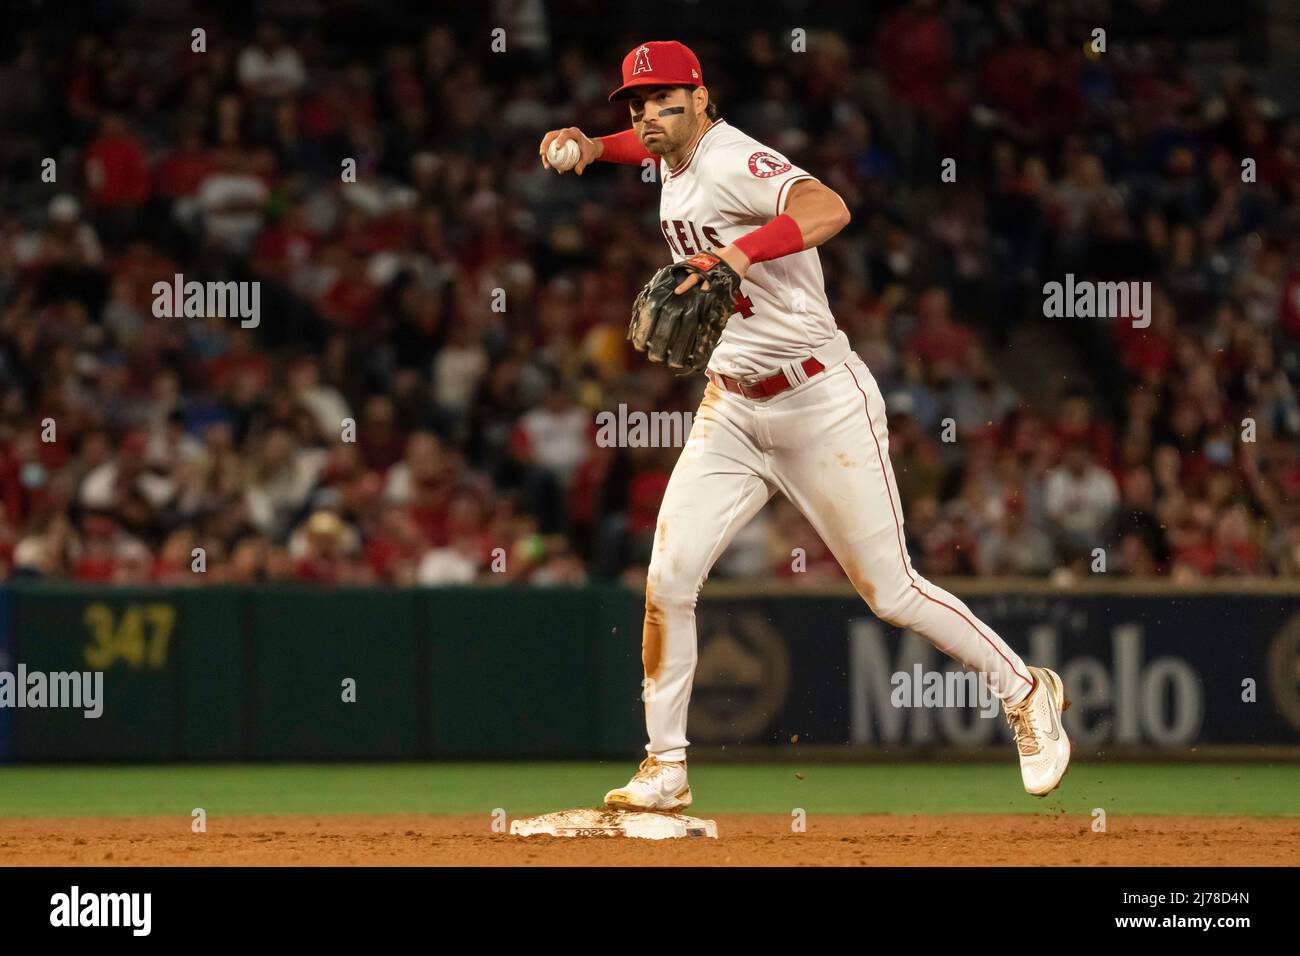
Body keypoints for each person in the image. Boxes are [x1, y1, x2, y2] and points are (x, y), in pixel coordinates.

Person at [540, 41, 1070, 811]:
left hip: (819, 402)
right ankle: (666, 769)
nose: (648, 114)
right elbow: (650, 148)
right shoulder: (673, 153)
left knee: (891, 591)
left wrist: (739, 254)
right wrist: (593, 146)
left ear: (702, 95)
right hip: (732, 407)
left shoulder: (732, 159)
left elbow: (828, 207)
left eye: (664, 98)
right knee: (668, 578)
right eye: (635, 103)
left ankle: (1024, 690)